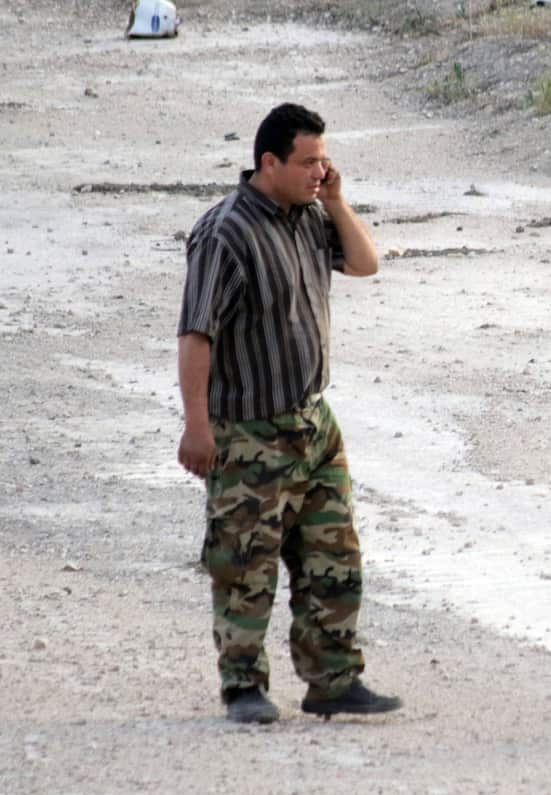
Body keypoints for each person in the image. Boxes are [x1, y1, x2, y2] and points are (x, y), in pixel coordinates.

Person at [176, 103, 402, 724]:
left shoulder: (308, 215)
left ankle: (333, 679)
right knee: (244, 563)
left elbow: (364, 263)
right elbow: (197, 334)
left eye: (323, 160)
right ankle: (243, 686)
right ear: (268, 162)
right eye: (308, 162)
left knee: (335, 558)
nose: (319, 171)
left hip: (313, 421)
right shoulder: (224, 232)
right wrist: (197, 425)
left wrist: (335, 201)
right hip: (248, 429)